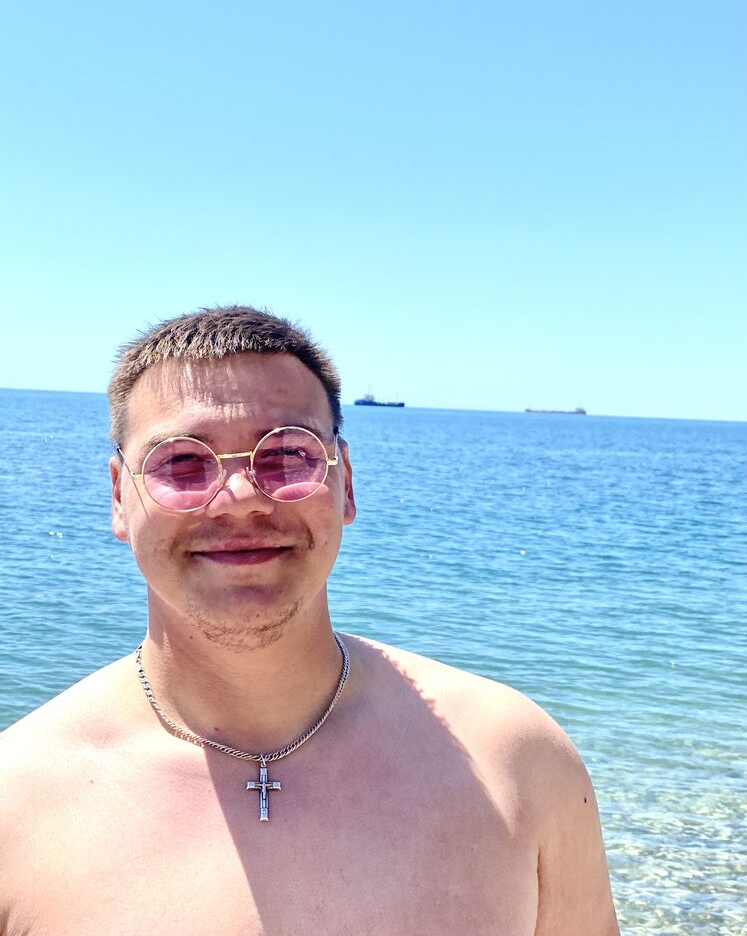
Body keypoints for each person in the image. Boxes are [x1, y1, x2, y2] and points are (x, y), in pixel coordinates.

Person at [0, 306, 620, 936]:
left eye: (286, 455)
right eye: (182, 463)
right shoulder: (15, 803)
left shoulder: (519, 761)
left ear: (344, 482)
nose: (241, 499)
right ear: (119, 497)